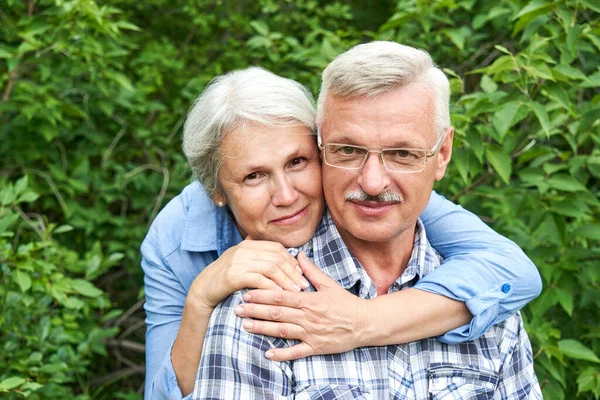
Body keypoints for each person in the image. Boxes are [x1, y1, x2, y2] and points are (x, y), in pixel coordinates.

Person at [141, 66, 542, 399]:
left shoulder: (378, 195)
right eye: (253, 176)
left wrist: (363, 319)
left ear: (321, 151)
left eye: (298, 162)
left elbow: (513, 273)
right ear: (218, 192)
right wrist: (200, 300)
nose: (286, 195)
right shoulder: (185, 249)